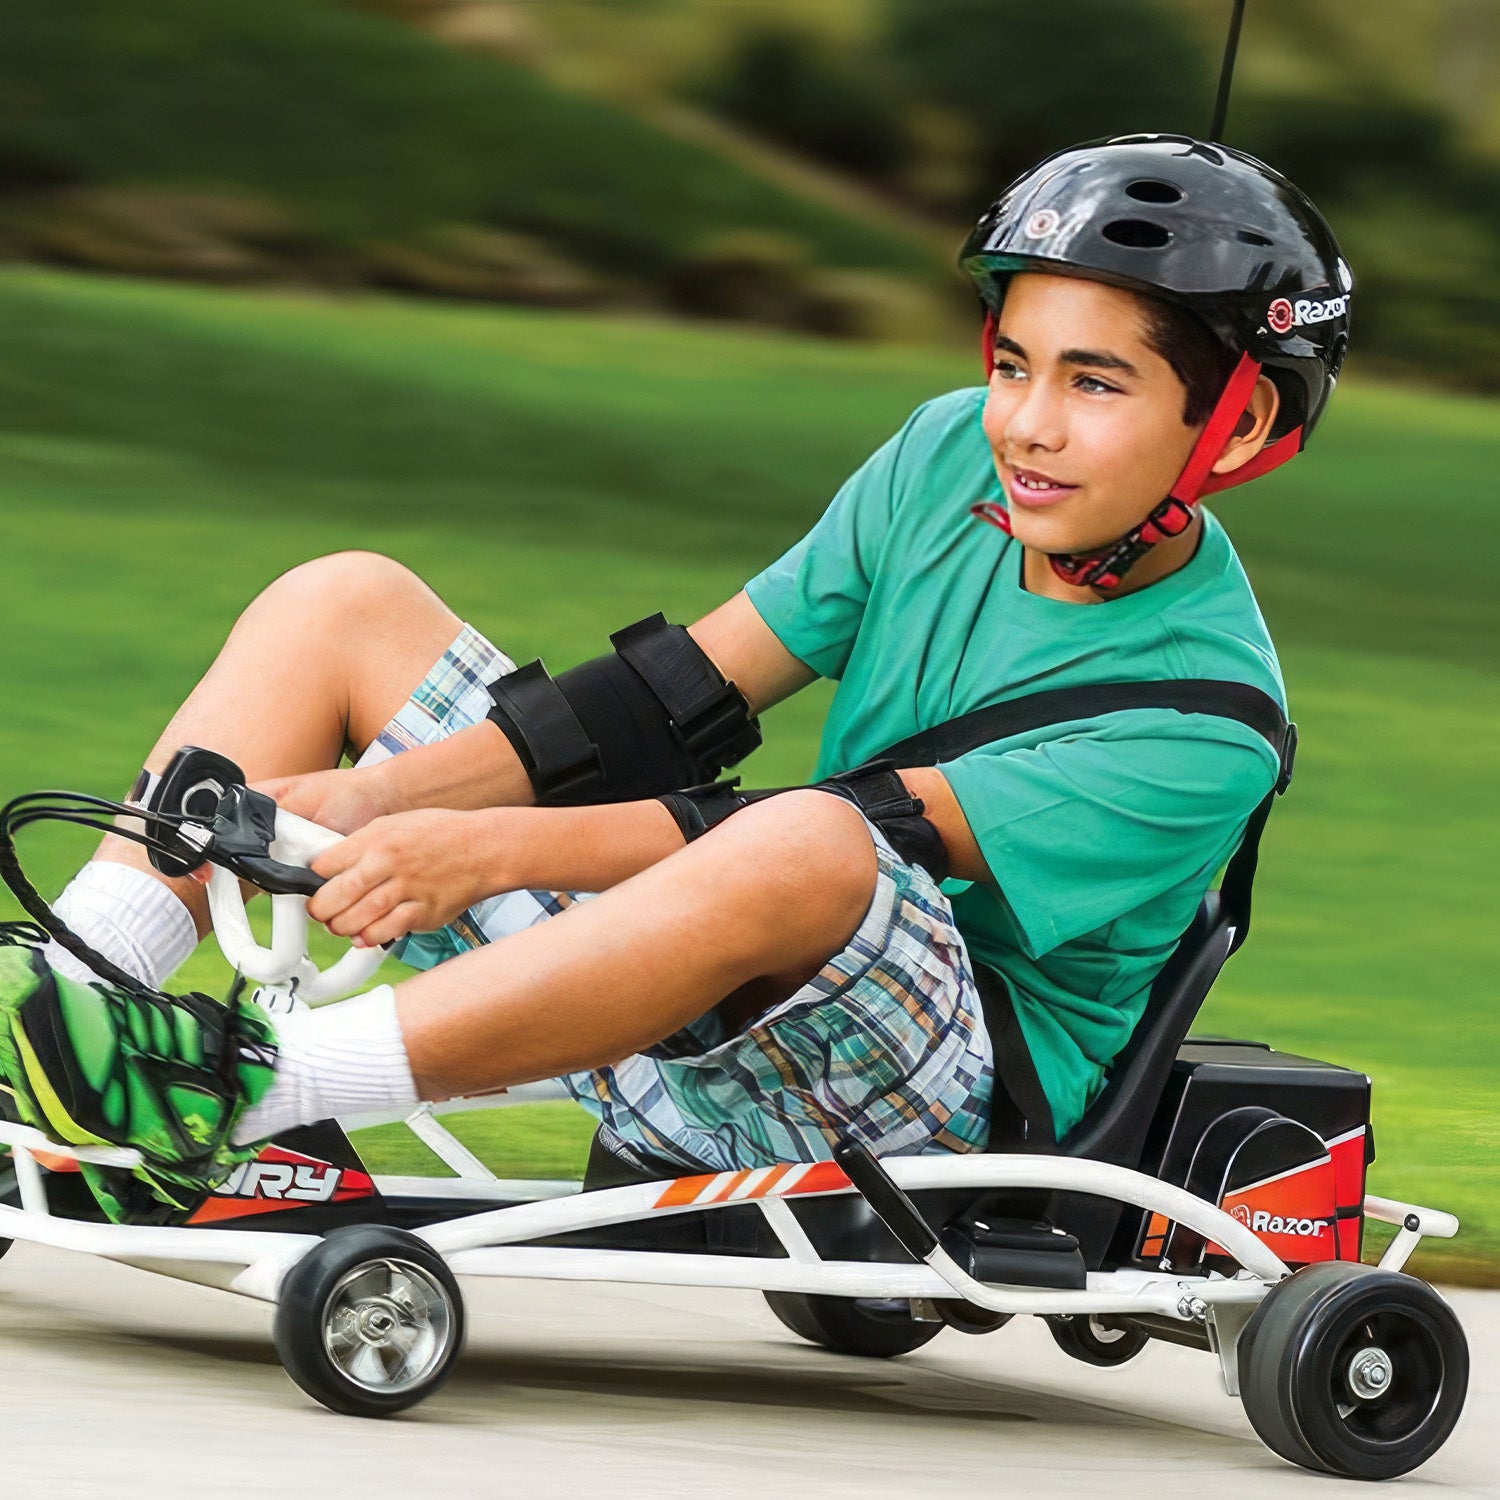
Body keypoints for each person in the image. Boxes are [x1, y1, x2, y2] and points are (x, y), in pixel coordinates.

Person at [0, 135, 1351, 1224]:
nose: (1027, 424)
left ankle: (227, 1101)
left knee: (814, 833)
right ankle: (61, 1010)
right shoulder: (950, 459)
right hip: (705, 959)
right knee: (343, 601)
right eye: (1011, 363)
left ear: (1243, 420)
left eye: (1094, 384)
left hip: (926, 1116)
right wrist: (375, 805)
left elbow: (841, 845)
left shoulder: (1206, 724)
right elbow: (674, 703)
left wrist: (468, 853)